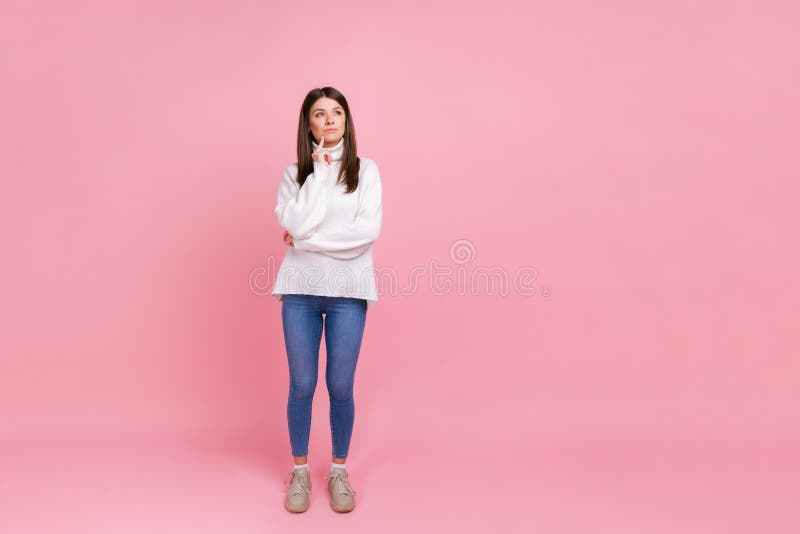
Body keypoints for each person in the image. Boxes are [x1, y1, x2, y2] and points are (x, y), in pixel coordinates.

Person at [271, 86, 383, 513]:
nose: (330, 119)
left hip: (349, 291)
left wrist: (304, 239)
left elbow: (366, 233)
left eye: (337, 112)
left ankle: (338, 471)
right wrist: (316, 174)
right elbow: (297, 218)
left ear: (347, 121)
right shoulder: (294, 174)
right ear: (309, 124)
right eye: (320, 113)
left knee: (339, 385)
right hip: (299, 288)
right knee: (301, 384)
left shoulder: (366, 171)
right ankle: (299, 471)